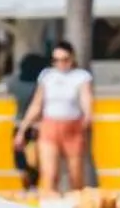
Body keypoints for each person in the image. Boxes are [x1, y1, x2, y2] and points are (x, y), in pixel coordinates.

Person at [15, 40, 95, 197]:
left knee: (76, 177)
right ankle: (51, 204)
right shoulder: (47, 76)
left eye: (65, 60)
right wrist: (23, 129)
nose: (61, 64)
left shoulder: (81, 77)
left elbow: (85, 97)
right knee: (49, 175)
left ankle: (75, 206)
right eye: (56, 60)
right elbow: (37, 104)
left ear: (72, 59)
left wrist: (88, 114)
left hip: (72, 127)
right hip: (50, 126)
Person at [7, 51, 46, 192]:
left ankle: (27, 186)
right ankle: (35, 185)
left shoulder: (15, 83)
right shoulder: (41, 85)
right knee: (38, 160)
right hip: (39, 125)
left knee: (21, 161)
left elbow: (8, 85)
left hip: (19, 124)